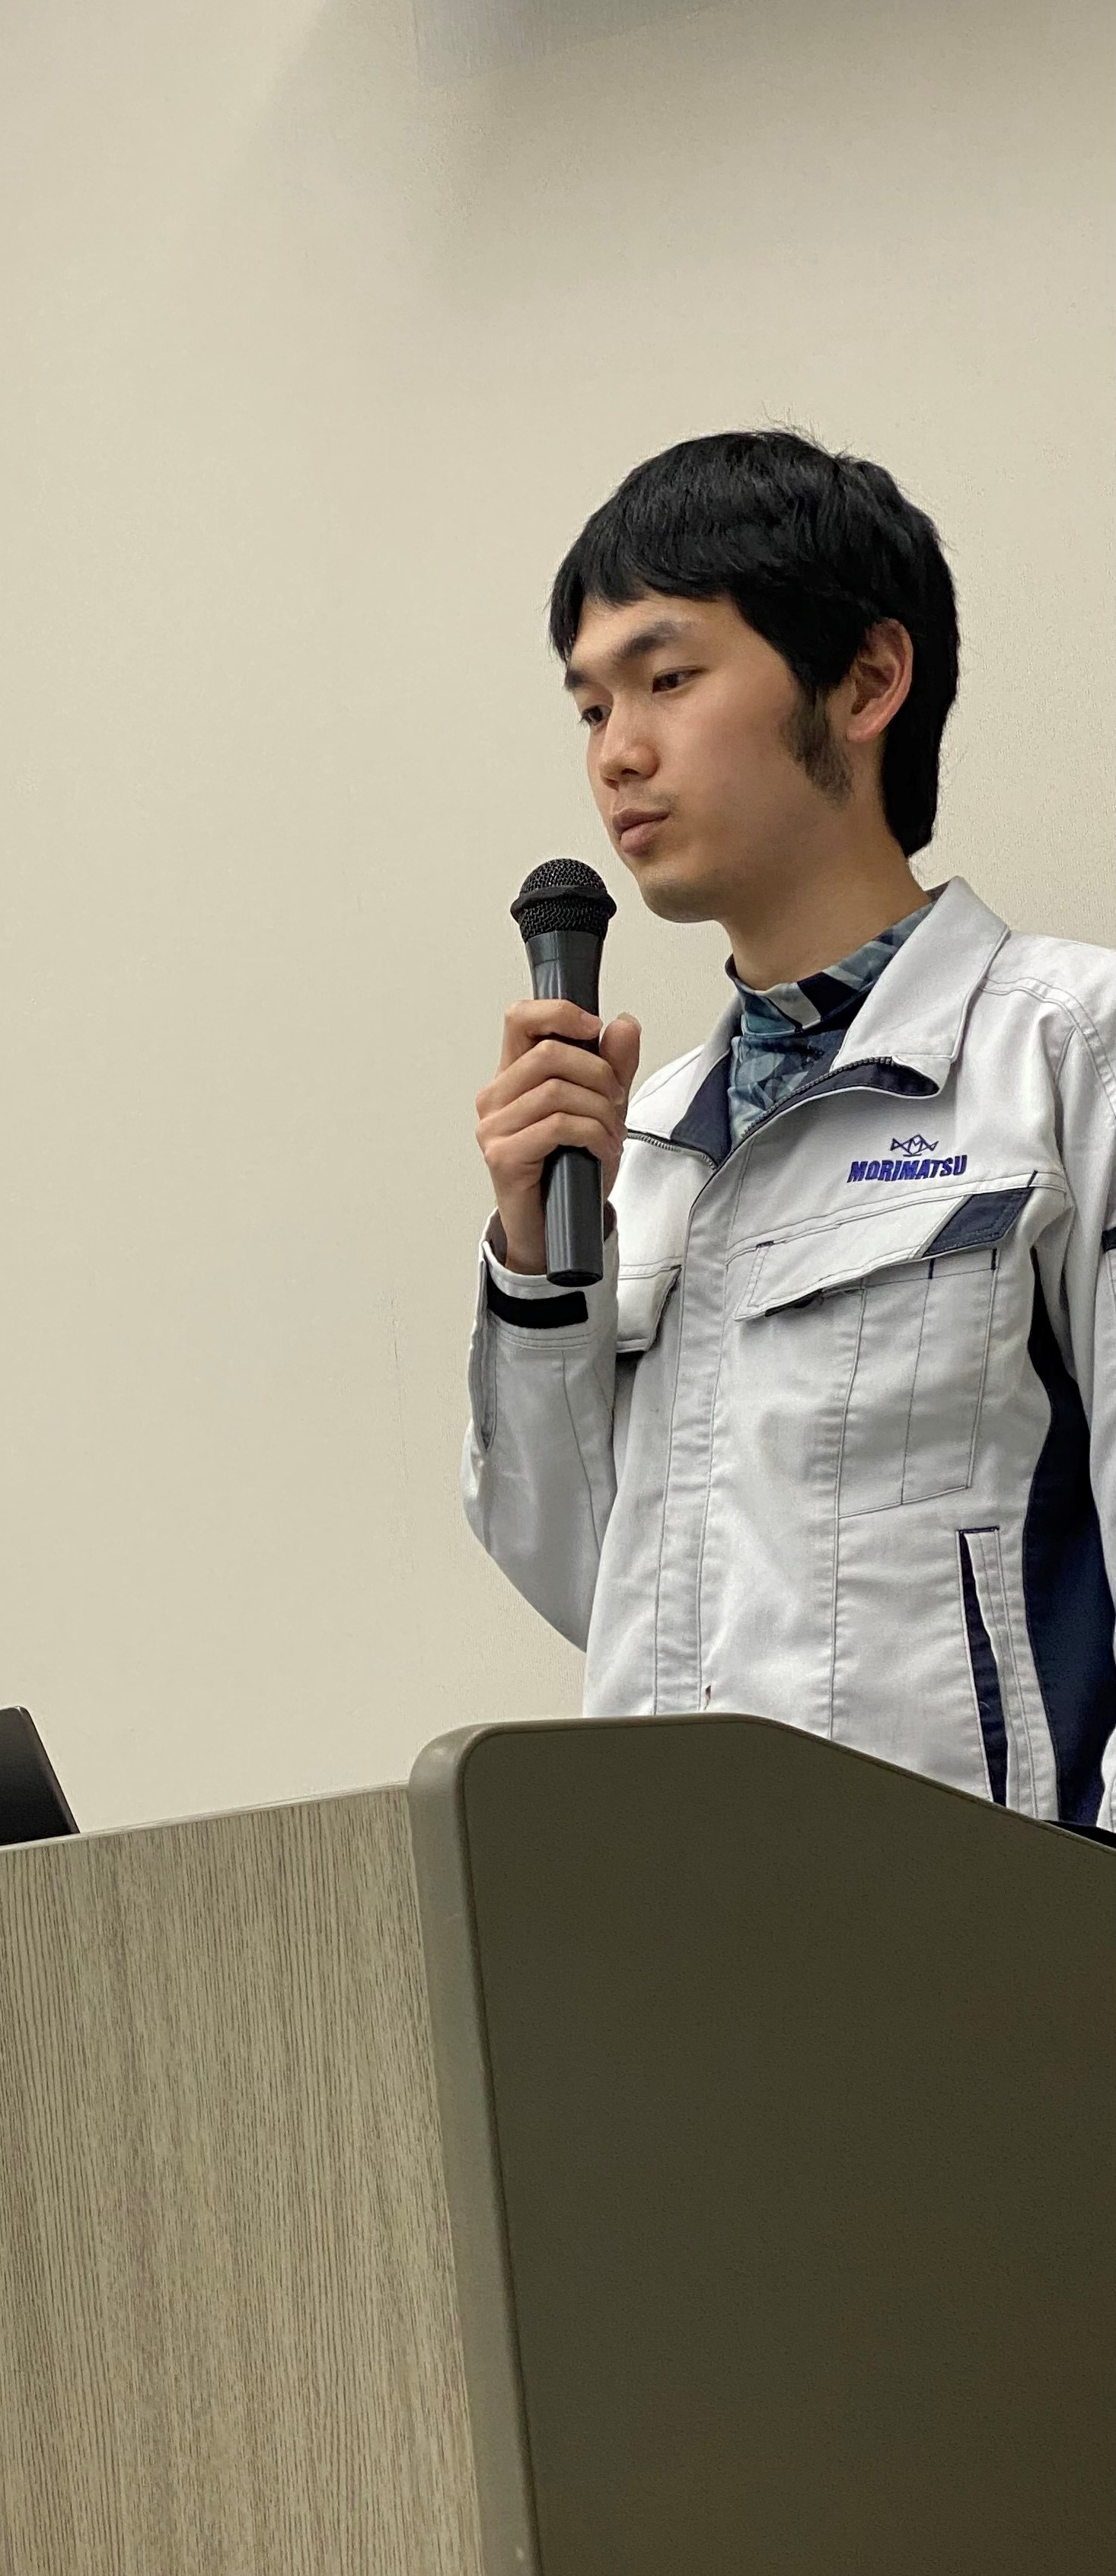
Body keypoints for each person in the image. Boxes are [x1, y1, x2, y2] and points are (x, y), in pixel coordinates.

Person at [464, 426, 1116, 1825]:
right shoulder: (637, 1147)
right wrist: (537, 1279)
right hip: (682, 1912)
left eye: (668, 679)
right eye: (590, 707)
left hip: (991, 1927)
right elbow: (595, 1587)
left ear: (869, 679)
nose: (619, 755)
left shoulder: (1071, 1051)